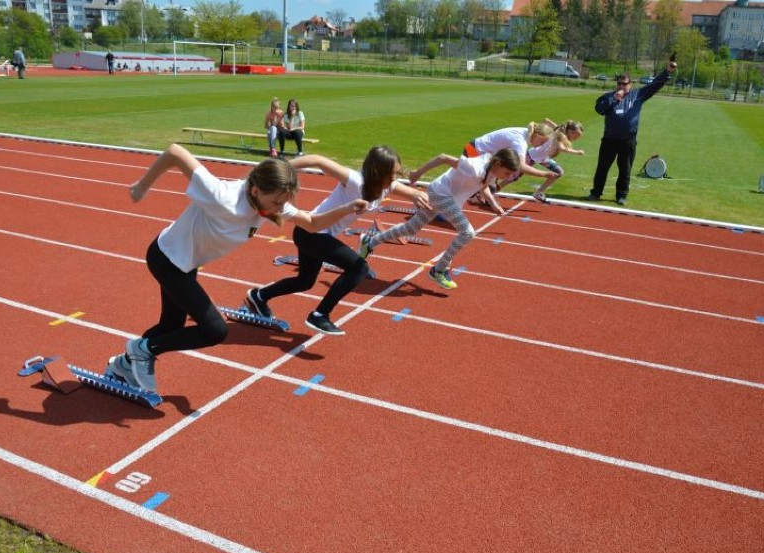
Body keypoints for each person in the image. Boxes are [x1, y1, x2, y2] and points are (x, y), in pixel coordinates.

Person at [106, 144, 369, 393]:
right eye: (277, 202)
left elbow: (311, 222)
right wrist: (142, 185)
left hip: (185, 264)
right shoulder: (223, 196)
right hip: (166, 259)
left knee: (170, 327)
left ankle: (124, 364)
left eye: (283, 203)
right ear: (256, 191)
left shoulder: (269, 201)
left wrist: (346, 208)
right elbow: (175, 152)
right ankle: (141, 351)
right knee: (215, 331)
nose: (280, 208)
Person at [245, 147, 430, 335]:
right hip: (311, 232)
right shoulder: (355, 180)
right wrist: (270, 172)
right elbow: (317, 160)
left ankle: (258, 296)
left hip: (313, 234)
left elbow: (397, 187)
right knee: (359, 268)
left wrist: (414, 194)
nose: (394, 178)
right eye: (391, 174)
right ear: (377, 172)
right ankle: (320, 315)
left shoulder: (384, 185)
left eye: (396, 173)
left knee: (305, 282)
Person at [358, 148, 520, 290]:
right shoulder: (474, 168)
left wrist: (493, 203)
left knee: (411, 229)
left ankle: (370, 241)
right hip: (440, 194)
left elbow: (483, 186)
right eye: (507, 173)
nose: (506, 177)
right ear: (498, 164)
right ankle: (439, 270)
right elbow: (443, 157)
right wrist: (418, 173)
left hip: (443, 195)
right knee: (467, 232)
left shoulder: (491, 171)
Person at [589, 60, 678, 206]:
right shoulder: (608, 96)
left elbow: (654, 85)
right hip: (609, 139)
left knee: (625, 169)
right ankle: (596, 193)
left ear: (630, 84)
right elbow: (599, 109)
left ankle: (621, 196)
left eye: (624, 84)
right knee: (602, 167)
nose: (621, 86)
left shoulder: (638, 95)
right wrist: (614, 98)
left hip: (628, 140)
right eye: (619, 83)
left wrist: (667, 71)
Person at [462, 122, 556, 204]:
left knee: (490, 180)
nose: (542, 144)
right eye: (542, 141)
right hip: (474, 152)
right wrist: (544, 174)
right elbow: (521, 167)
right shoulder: (520, 142)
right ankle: (468, 197)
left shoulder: (524, 132)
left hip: (478, 151)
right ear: (536, 136)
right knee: (475, 182)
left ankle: (477, 195)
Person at [521, 120, 585, 203]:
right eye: (576, 136)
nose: (576, 139)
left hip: (543, 158)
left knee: (559, 172)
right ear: (570, 132)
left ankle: (539, 192)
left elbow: (546, 120)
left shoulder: (560, 131)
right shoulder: (561, 136)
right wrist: (577, 152)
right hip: (533, 155)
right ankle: (499, 185)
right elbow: (561, 148)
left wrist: (548, 124)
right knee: (514, 174)